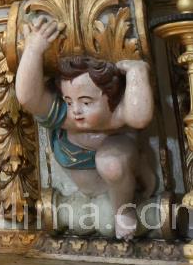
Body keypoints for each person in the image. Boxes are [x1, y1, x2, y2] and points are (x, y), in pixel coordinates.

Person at [15, 17, 156, 239]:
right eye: (69, 101)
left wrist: (136, 71)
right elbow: (28, 98)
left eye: (86, 102)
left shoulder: (116, 114)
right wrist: (34, 49)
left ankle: (124, 209)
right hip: (86, 194)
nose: (76, 111)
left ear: (110, 96)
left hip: (121, 179)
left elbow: (140, 117)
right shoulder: (67, 117)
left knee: (111, 163)